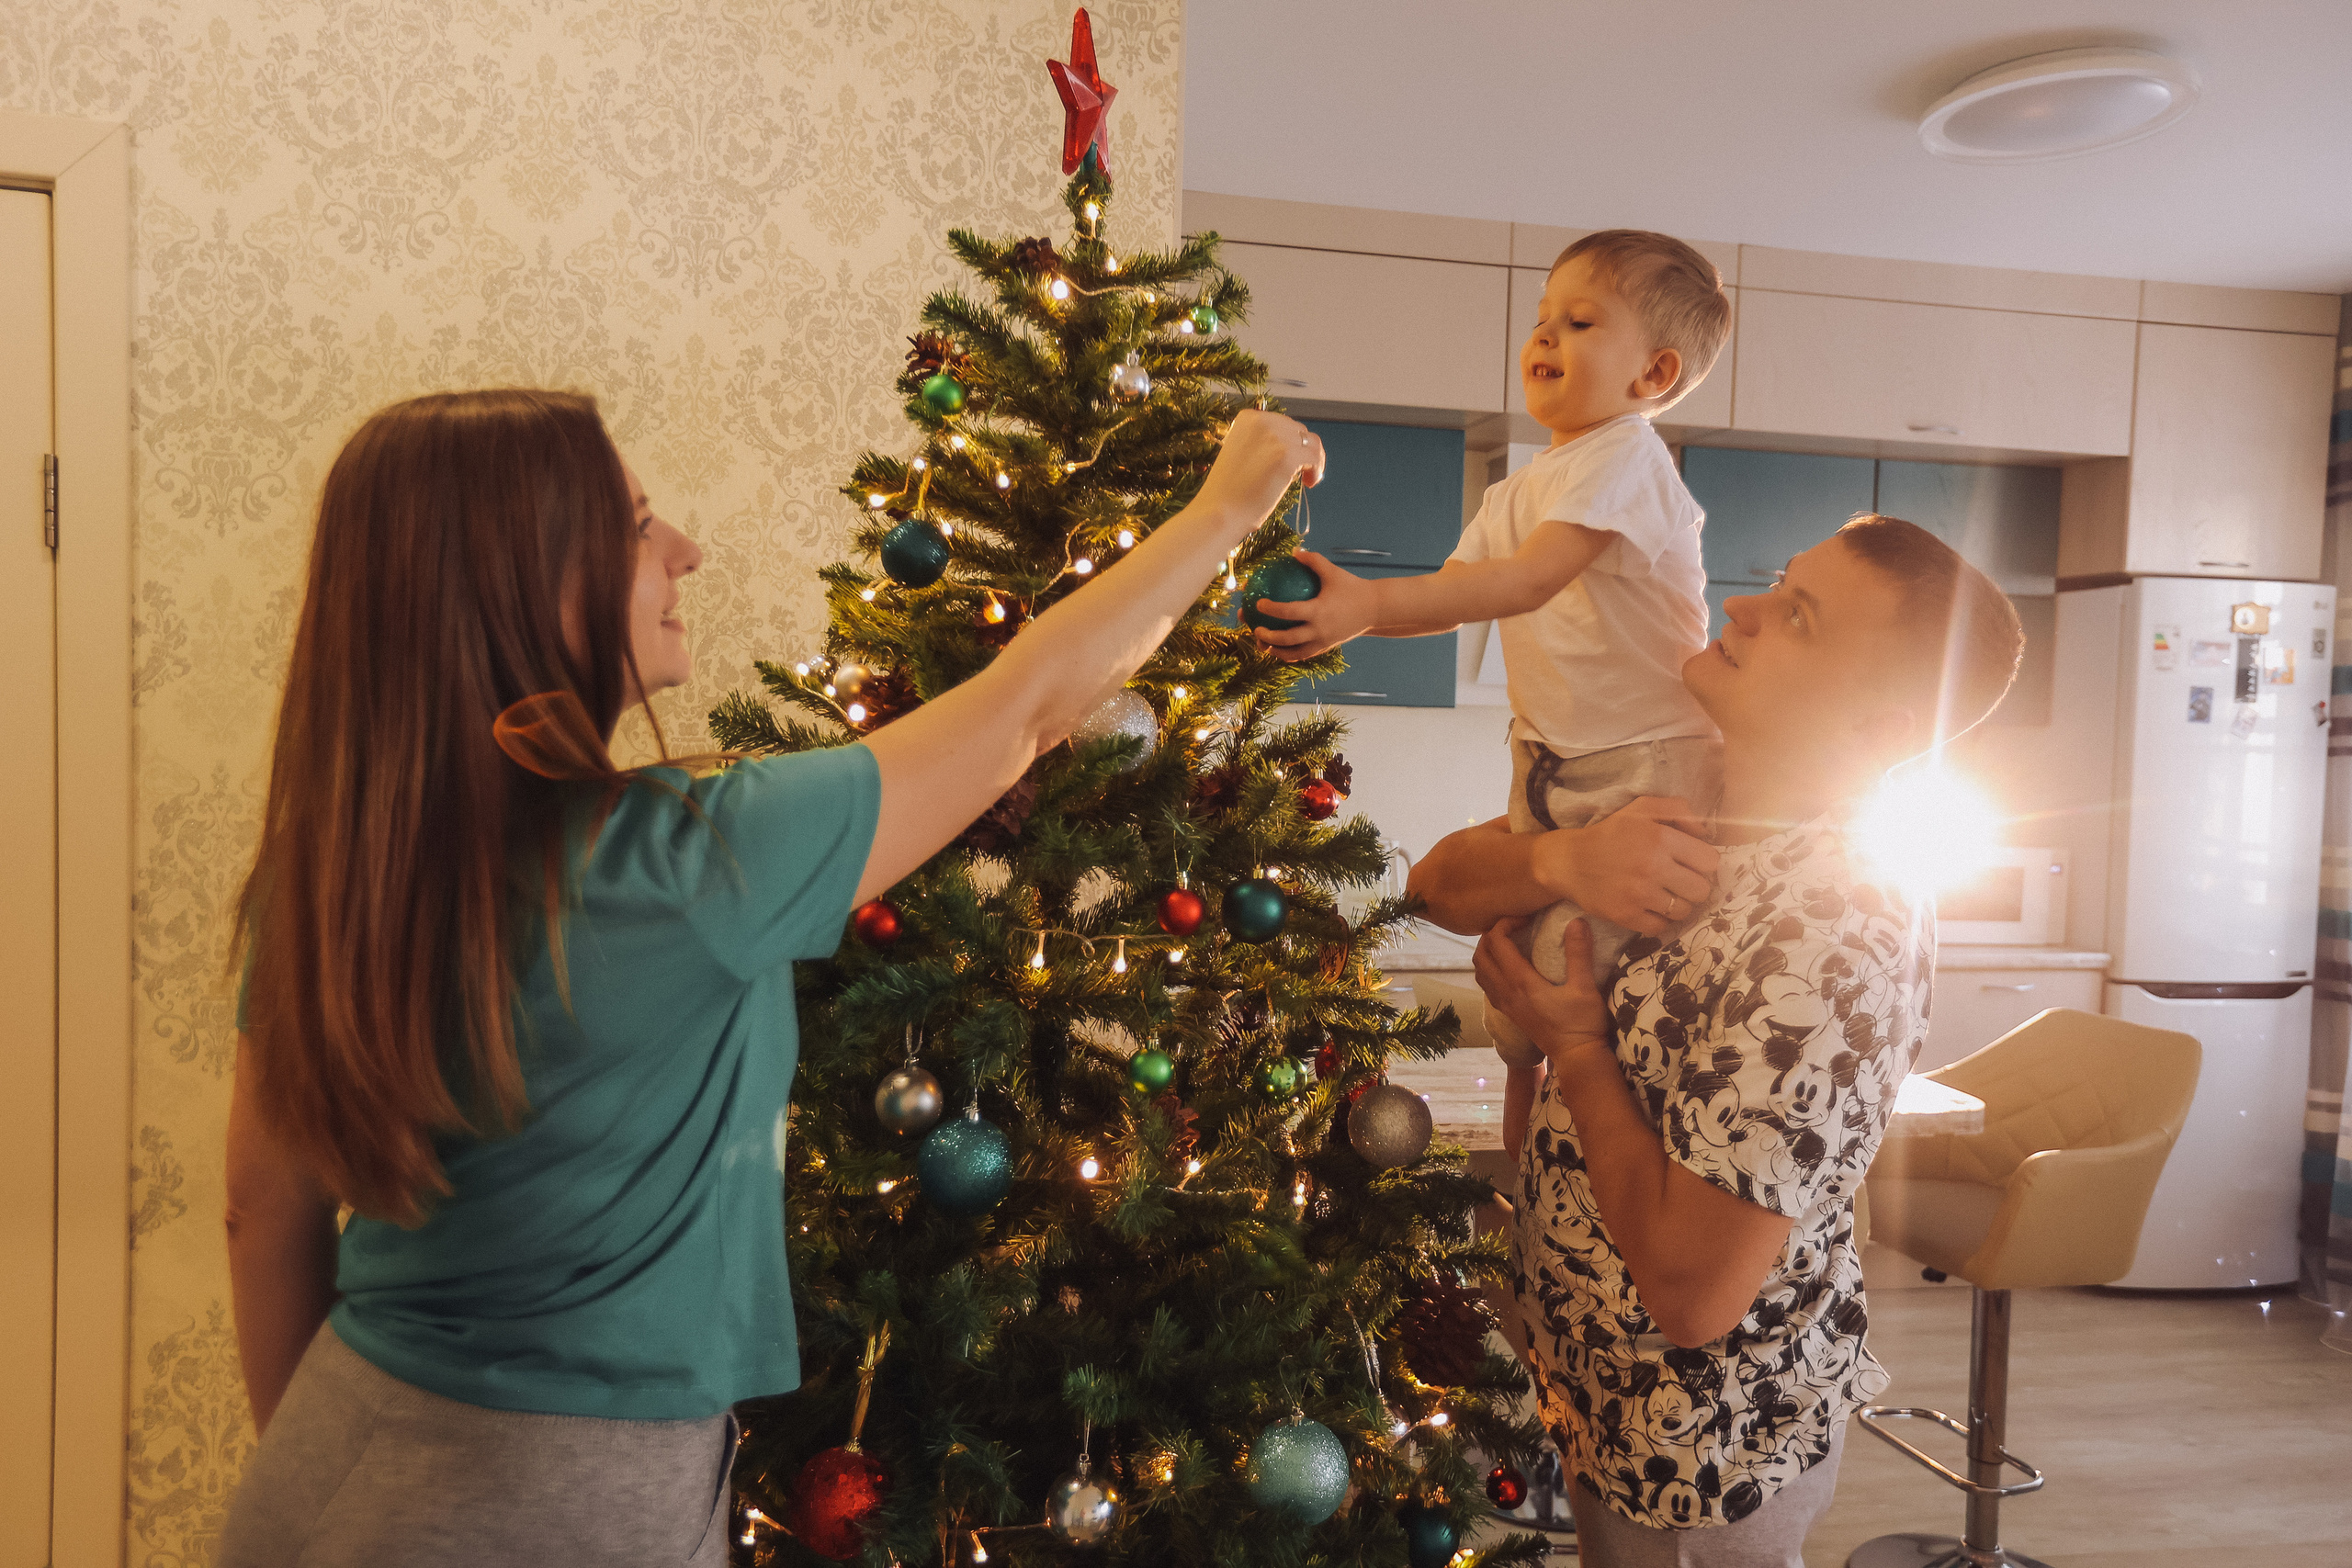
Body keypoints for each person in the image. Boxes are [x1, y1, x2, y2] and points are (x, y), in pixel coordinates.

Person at [218, 389, 1324, 1565]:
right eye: (637, 525)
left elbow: (262, 1208)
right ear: (528, 580)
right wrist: (1226, 504)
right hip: (567, 1499)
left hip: (332, 1451)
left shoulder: (332, 869)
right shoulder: (685, 863)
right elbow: (1030, 707)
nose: (683, 550)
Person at [1414, 516, 2023, 1566]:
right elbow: (1434, 886)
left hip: (1703, 1446)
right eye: (1777, 582)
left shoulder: (1835, 931)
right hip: (1602, 1398)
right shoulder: (1685, 796)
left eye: (1798, 615)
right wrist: (1565, 859)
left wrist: (1580, 1046)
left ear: (1879, 728)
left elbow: (1694, 1295)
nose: (1741, 606)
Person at [1250, 231, 1733, 1162]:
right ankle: (1524, 1192)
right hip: (1551, 760)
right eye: (1543, 317)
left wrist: (1365, 605)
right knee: (1512, 978)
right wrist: (1338, 619)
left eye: (1580, 321)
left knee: (1567, 982)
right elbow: (1447, 596)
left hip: (1648, 760)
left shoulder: (1628, 457)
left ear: (1653, 373)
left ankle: (1549, 1172)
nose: (1544, 336)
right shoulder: (1529, 483)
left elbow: (1522, 586)